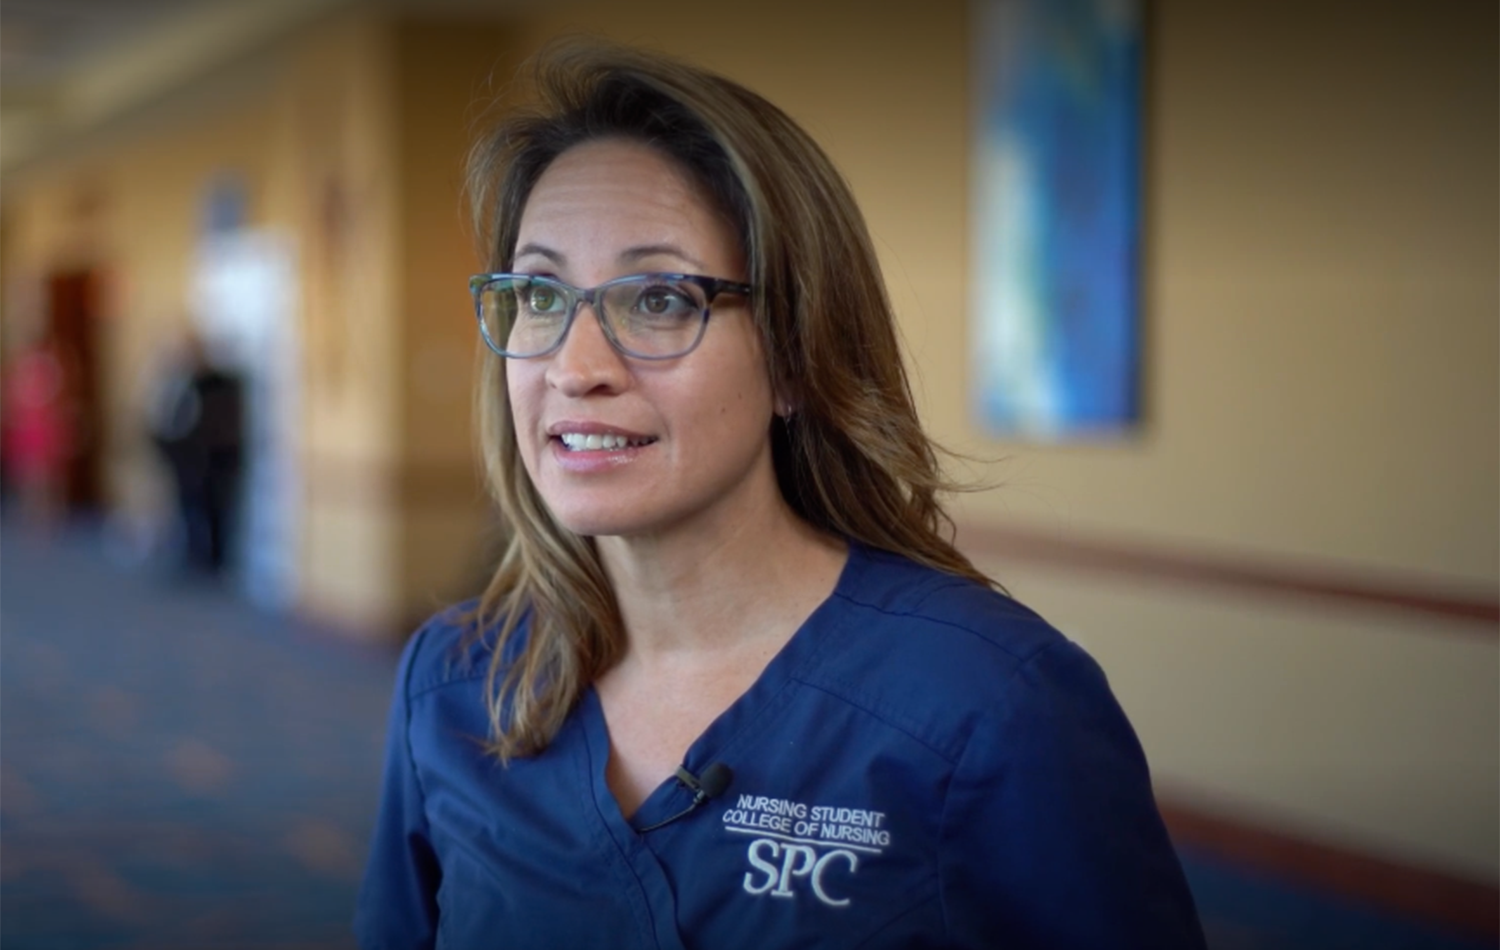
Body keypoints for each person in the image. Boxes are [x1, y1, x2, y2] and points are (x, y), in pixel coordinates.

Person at [356, 42, 1206, 949]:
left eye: (657, 299)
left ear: (797, 357)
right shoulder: (454, 684)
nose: (575, 367)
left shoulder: (991, 701)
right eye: (539, 293)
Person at [148, 328, 245, 577]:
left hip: (209, 459)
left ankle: (213, 559)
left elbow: (209, 425)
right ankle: (194, 554)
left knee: (213, 510)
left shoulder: (215, 385)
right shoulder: (180, 381)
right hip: (187, 458)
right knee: (189, 509)